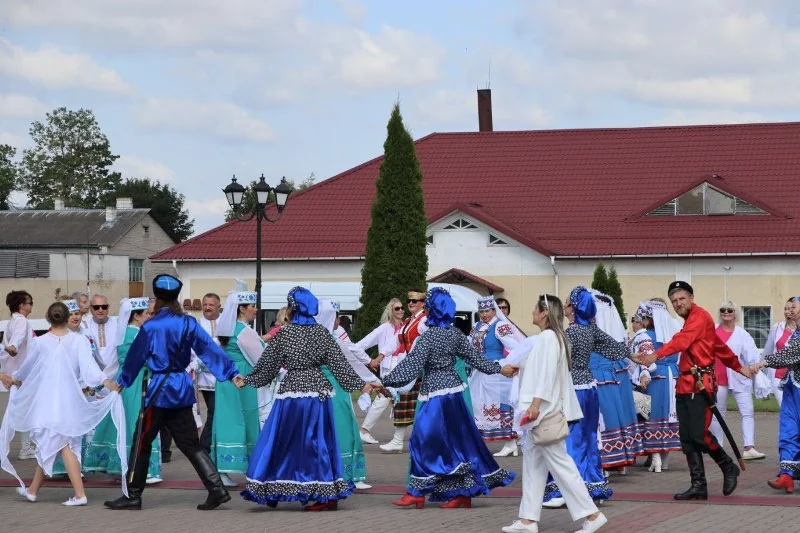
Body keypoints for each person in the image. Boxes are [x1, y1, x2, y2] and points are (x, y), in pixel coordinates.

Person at [103, 274, 243, 511]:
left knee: (141, 441)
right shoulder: (188, 322)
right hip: (180, 388)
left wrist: (123, 381)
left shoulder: (150, 326)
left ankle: (133, 495)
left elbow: (135, 357)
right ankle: (217, 489)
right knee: (190, 444)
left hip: (158, 390)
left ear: (157, 298)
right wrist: (231, 373)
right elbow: (209, 349)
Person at [239, 287, 375, 510]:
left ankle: (276, 486)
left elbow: (267, 365)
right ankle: (324, 494)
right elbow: (340, 365)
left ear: (292, 308)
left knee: (284, 441)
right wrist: (362, 385)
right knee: (317, 443)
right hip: (318, 394)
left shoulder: (285, 333)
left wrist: (248, 380)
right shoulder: (322, 333)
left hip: (291, 394)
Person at [383, 287, 516, 510]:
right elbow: (475, 358)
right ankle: (462, 493)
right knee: (457, 442)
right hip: (454, 395)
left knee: (421, 440)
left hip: (436, 397)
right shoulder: (455, 334)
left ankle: (417, 492)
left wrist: (385, 381)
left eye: (428, 307)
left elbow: (411, 366)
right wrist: (500, 368)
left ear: (433, 310)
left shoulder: (429, 337)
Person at [631, 281, 753, 500]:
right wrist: (737, 365)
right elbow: (718, 346)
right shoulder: (692, 321)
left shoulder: (699, 317)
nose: (678, 304)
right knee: (686, 437)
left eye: (682, 299)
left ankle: (727, 466)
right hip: (684, 384)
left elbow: (682, 341)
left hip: (701, 384)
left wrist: (656, 355)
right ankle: (698, 485)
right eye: (674, 301)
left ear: (691, 298)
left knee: (699, 434)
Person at [0, 301, 124, 507]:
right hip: (69, 398)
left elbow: (27, 368)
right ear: (67, 318)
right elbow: (89, 368)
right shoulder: (78, 341)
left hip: (48, 399)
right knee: (52, 441)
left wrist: (15, 378)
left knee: (61, 442)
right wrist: (106, 382)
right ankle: (32, 491)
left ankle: (79, 494)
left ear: (48, 319)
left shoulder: (40, 342)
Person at [503, 294, 607, 533]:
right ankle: (528, 519)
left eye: (535, 308)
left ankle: (592, 514)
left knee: (561, 465)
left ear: (544, 313)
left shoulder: (549, 338)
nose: (532, 311)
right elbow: (543, 369)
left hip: (544, 412)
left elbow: (547, 375)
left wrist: (535, 404)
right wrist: (521, 367)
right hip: (544, 411)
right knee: (533, 465)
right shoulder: (552, 337)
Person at [543, 286, 628, 508]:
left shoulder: (570, 332)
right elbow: (614, 347)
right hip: (590, 387)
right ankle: (593, 485)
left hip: (574, 388)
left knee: (571, 438)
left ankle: (567, 490)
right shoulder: (591, 329)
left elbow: (560, 362)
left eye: (566, 304)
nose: (564, 307)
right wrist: (635, 356)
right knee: (589, 438)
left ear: (573, 309)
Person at [84, 297, 162, 484]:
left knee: (125, 422)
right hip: (137, 382)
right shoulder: (135, 334)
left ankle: (122, 467)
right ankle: (138, 468)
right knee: (137, 422)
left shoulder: (126, 333)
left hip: (129, 380)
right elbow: (143, 359)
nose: (149, 317)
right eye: (147, 314)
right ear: (136, 316)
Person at [317, 298, 381, 490]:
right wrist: (371, 382)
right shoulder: (332, 341)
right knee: (343, 429)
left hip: (322, 390)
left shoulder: (327, 339)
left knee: (335, 429)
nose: (338, 321)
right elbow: (350, 364)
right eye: (336, 317)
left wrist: (370, 381)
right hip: (334, 391)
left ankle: (342, 473)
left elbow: (351, 359)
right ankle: (345, 474)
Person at [213, 291, 265, 488]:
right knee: (246, 419)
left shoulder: (229, 329)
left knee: (228, 420)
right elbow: (261, 359)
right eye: (252, 306)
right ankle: (252, 468)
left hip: (227, 379)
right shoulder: (244, 331)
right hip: (242, 379)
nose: (256, 309)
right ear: (242, 309)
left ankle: (223, 468)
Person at [631, 300, 681, 473]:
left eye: (644, 318)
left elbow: (644, 359)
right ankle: (664, 460)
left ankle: (656, 458)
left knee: (651, 415)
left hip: (655, 377)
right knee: (668, 415)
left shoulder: (645, 336)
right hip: (673, 376)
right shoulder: (674, 334)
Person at [710, 300, 765, 460]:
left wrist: (754, 366)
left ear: (735, 313)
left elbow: (752, 355)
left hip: (739, 377)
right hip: (717, 378)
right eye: (723, 310)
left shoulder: (742, 334)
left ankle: (749, 447)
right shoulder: (712, 331)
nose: (726, 313)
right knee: (717, 414)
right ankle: (718, 446)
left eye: (730, 310)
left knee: (747, 412)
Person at [469, 295, 521, 457]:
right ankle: (480, 444)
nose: (484, 314)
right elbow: (469, 345)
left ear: (493, 310)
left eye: (487, 311)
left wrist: (511, 364)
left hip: (496, 371)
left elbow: (515, 347)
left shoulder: (500, 326)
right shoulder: (477, 326)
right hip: (479, 371)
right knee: (479, 405)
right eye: (481, 311)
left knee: (501, 404)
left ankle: (510, 443)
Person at [380, 289, 428, 453]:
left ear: (422, 303)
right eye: (409, 301)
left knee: (421, 407)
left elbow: (426, 343)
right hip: (408, 367)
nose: (411, 304)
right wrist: (381, 355)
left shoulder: (424, 320)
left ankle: (421, 442)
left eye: (415, 301)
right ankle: (398, 440)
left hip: (420, 370)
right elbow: (395, 341)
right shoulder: (408, 321)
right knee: (403, 403)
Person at [356, 298, 404, 444]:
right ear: (391, 311)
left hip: (403, 366)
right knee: (385, 397)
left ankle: (400, 435)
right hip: (389, 368)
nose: (401, 310)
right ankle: (365, 430)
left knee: (402, 399)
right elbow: (362, 344)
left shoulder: (405, 326)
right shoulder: (384, 328)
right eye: (397, 308)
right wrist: (368, 360)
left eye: (402, 308)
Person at [2, 290, 36, 460]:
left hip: (17, 373)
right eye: (30, 303)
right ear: (22, 305)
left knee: (24, 409)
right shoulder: (21, 321)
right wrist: (13, 346)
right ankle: (25, 448)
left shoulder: (12, 321)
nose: (31, 306)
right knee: (26, 410)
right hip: (23, 374)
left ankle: (26, 447)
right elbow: (18, 337)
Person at [195, 293, 221, 455]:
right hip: (206, 379)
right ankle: (204, 446)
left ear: (219, 306)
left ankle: (207, 444)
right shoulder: (197, 325)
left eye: (211, 305)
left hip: (223, 376)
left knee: (217, 411)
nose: (207, 307)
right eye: (205, 304)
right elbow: (192, 349)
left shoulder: (226, 323)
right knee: (214, 411)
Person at [762, 298, 798, 407]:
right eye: (785, 309)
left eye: (791, 308)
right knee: (786, 409)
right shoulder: (777, 328)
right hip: (778, 378)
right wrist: (761, 372)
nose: (787, 311)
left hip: (797, 378)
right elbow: (767, 352)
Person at [85, 294, 118, 370]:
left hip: (114, 372)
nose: (100, 310)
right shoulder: (84, 325)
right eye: (96, 307)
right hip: (92, 371)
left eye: (104, 307)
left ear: (108, 307)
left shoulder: (117, 323)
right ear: (91, 309)